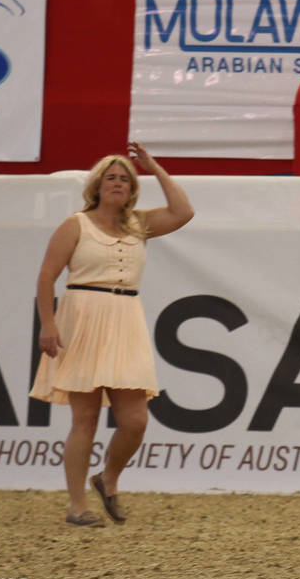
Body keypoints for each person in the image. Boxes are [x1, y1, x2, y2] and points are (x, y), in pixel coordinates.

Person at [30, 141, 194, 527]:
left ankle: (109, 478)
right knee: (84, 419)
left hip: (125, 318)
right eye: (111, 178)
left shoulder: (139, 225)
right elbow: (46, 275)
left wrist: (153, 165)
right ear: (97, 186)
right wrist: (48, 323)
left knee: (135, 419)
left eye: (125, 178)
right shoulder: (77, 224)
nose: (118, 183)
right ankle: (76, 506)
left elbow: (183, 211)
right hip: (82, 317)